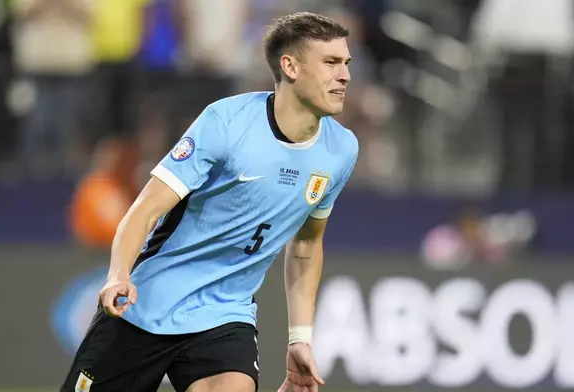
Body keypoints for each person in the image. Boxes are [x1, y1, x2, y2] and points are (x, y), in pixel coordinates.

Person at [60, 11, 358, 392]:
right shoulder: (227, 124)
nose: (345, 75)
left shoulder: (341, 149)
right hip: (148, 304)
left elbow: (306, 243)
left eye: (346, 63)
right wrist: (118, 275)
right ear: (291, 66)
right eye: (331, 63)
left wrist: (299, 337)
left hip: (225, 315)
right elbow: (146, 209)